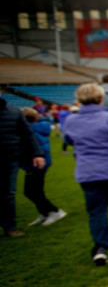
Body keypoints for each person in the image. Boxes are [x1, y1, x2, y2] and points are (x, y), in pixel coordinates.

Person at [62, 83, 108, 266]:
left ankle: (101, 247)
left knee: (96, 210)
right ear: (100, 98)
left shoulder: (71, 120)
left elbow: (68, 139)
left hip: (88, 171)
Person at [1, 89, 46, 237]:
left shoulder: (13, 112)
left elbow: (28, 134)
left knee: (8, 194)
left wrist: (37, 154)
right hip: (11, 157)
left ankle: (10, 227)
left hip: (9, 158)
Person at [19, 108, 67, 226]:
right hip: (39, 161)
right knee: (34, 191)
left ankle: (54, 211)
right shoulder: (39, 128)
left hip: (36, 162)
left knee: (32, 191)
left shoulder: (29, 130)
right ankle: (45, 212)